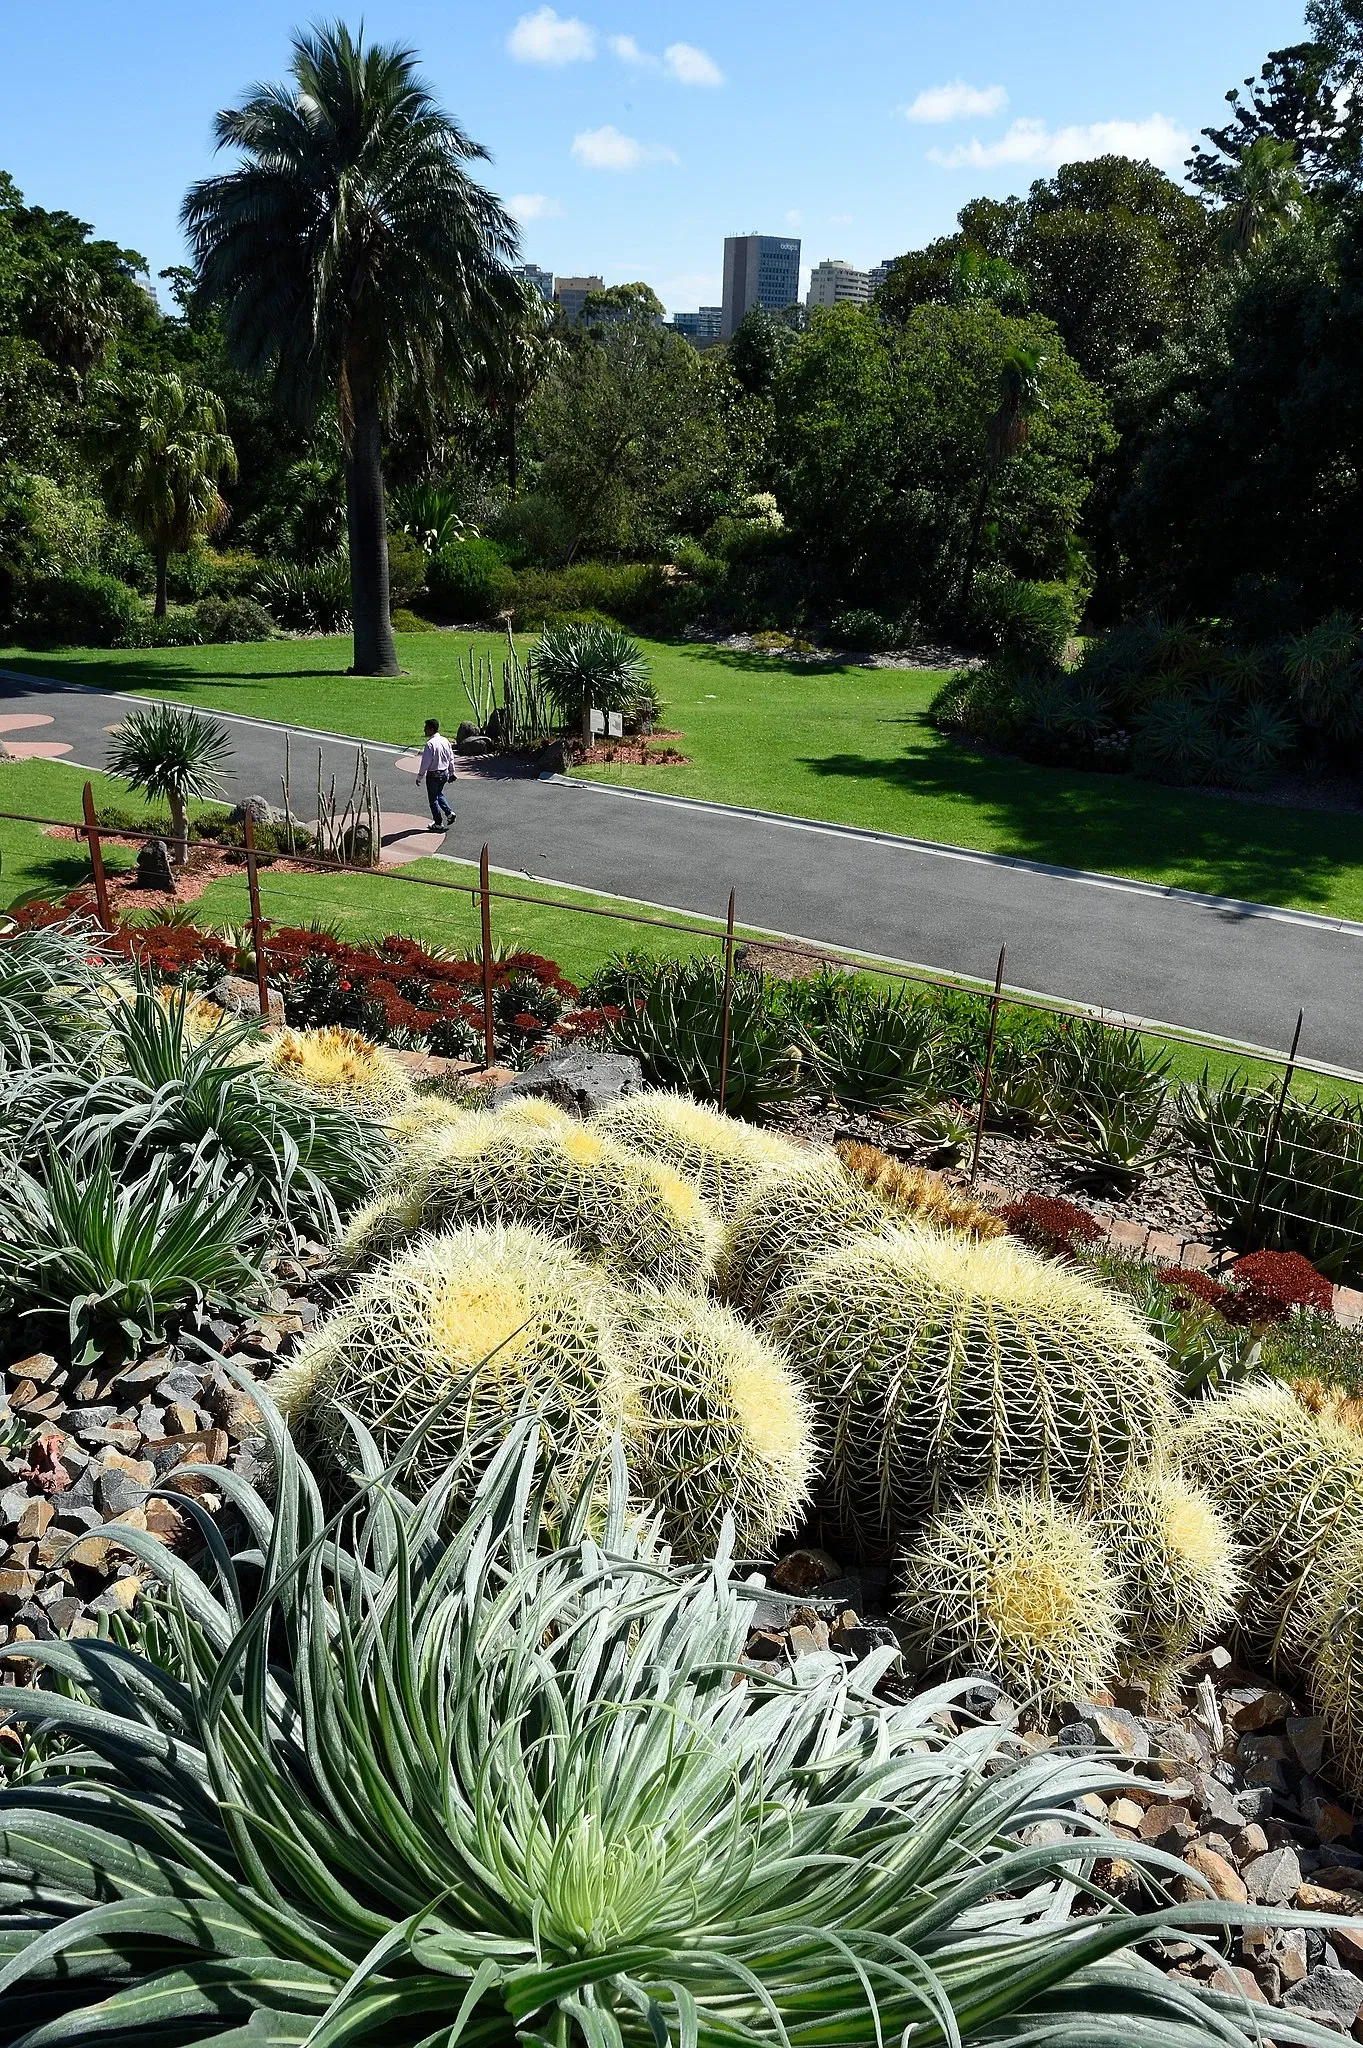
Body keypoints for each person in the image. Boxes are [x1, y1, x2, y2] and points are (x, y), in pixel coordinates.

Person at [415, 718, 456, 831]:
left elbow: (425, 763)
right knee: (439, 794)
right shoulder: (445, 741)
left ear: (431, 729)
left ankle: (438, 823)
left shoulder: (430, 744)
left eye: (426, 728)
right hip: (444, 773)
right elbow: (450, 757)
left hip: (433, 775)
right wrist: (452, 772)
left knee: (433, 799)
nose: (424, 730)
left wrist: (419, 776)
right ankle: (449, 813)